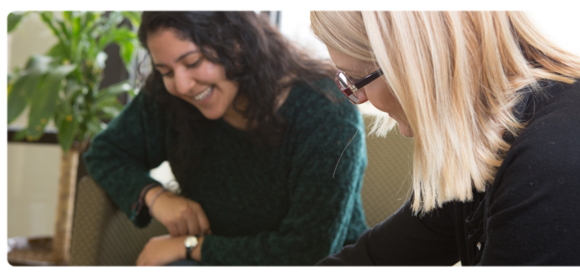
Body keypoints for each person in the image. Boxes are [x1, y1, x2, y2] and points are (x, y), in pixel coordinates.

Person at [83, 8, 369, 269]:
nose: (181, 85)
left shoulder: (326, 108)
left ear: (237, 43)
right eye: (165, 71)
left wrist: (191, 245)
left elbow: (307, 253)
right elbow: (105, 152)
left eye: (193, 62)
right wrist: (156, 197)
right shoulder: (167, 96)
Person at [310, 8, 580, 268]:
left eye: (355, 80)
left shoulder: (553, 157)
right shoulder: (484, 143)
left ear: (417, 61)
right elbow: (376, 259)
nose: (357, 99)